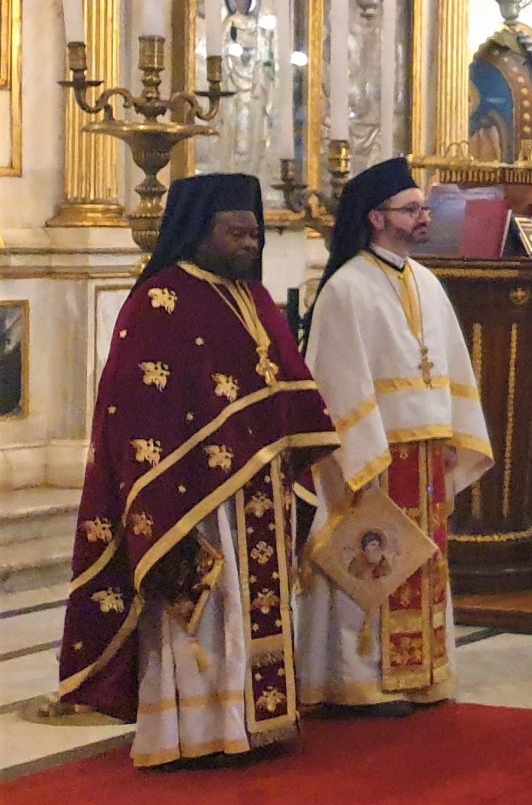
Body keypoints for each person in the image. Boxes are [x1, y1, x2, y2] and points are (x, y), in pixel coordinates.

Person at [53, 175, 337, 767]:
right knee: (206, 612)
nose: (249, 244)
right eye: (236, 233)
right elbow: (133, 410)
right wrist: (173, 486)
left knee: (253, 608)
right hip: (192, 502)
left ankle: (254, 724)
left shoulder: (256, 298)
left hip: (260, 492)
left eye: (254, 234)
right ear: (198, 232)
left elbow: (287, 386)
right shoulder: (160, 300)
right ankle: (198, 732)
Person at [296, 157, 493, 714]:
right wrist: (364, 457)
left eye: (423, 208)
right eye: (411, 209)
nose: (423, 217)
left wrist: (451, 435)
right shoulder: (346, 287)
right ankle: (360, 682)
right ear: (377, 217)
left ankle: (424, 672)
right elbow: (336, 378)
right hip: (376, 456)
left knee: (422, 561)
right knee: (372, 561)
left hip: (426, 455)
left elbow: (448, 365)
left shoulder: (426, 282)